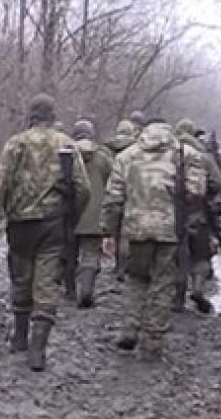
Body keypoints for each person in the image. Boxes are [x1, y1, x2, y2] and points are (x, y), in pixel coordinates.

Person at [0, 94, 90, 372]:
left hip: (19, 224)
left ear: (31, 116)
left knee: (21, 278)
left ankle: (19, 337)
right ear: (52, 116)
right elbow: (83, 187)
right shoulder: (67, 145)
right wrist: (72, 214)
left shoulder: (16, 144)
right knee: (46, 283)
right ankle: (38, 349)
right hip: (52, 224)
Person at [101, 117, 208, 359]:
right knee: (163, 282)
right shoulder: (186, 154)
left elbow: (114, 199)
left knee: (137, 277)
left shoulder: (126, 156)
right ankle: (153, 341)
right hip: (170, 229)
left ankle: (131, 324)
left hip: (134, 228)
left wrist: (109, 233)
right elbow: (197, 191)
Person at [173, 119, 221, 313]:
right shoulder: (204, 156)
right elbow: (217, 182)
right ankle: (197, 287)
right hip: (198, 213)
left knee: (176, 257)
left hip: (173, 214)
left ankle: (177, 300)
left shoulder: (167, 154)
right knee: (201, 255)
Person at [70, 119, 114, 308]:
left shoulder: (65, 155)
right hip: (94, 215)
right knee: (89, 254)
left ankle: (70, 291)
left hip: (69, 215)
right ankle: (86, 291)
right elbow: (114, 181)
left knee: (68, 254)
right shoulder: (103, 157)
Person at [105, 119, 138, 280]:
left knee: (117, 233)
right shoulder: (138, 150)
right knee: (128, 233)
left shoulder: (110, 148)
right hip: (133, 193)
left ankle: (117, 265)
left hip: (114, 192)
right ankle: (125, 267)